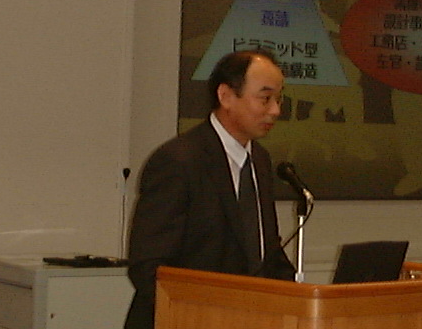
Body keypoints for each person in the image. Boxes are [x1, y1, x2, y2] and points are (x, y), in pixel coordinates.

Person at [124, 50, 296, 329]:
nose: (275, 110)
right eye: (265, 98)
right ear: (226, 96)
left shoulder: (260, 160)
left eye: (279, 99)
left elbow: (265, 252)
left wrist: (299, 302)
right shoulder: (178, 161)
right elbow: (149, 267)